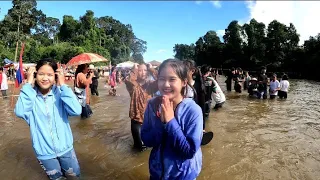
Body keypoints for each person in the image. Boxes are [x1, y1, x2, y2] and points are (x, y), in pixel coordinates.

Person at [14, 58, 82, 179]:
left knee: (74, 177)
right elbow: (20, 112)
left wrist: (63, 84)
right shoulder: (30, 96)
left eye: (50, 75)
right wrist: (28, 84)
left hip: (66, 149)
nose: (45, 78)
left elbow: (77, 110)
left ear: (55, 76)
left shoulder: (61, 93)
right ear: (35, 75)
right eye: (41, 74)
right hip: (44, 153)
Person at [141, 59, 203, 180]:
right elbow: (146, 140)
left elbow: (189, 152)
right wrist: (160, 122)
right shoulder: (152, 105)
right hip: (157, 173)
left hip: (183, 175)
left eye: (172, 79)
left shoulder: (193, 111)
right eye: (162, 79)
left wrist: (170, 121)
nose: (166, 84)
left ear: (184, 82)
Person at [125, 63, 158, 151]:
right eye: (140, 70)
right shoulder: (133, 85)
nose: (143, 72)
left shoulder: (151, 85)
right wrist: (134, 68)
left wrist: (151, 69)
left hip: (149, 120)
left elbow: (161, 79)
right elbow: (128, 79)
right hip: (137, 120)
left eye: (145, 70)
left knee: (151, 144)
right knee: (140, 147)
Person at [184, 60, 213, 146]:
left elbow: (202, 107)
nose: (181, 71)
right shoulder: (180, 85)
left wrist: (202, 127)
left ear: (192, 71)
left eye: (184, 69)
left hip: (194, 120)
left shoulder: (199, 86)